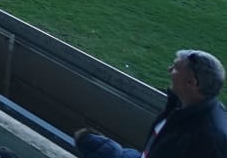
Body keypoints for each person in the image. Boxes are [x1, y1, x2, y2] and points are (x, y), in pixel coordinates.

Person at [75, 50, 227, 158]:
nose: (169, 70)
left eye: (175, 68)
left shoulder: (211, 139)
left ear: (191, 82)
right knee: (91, 143)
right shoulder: (180, 107)